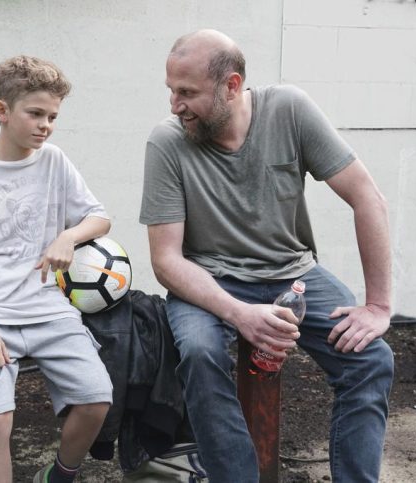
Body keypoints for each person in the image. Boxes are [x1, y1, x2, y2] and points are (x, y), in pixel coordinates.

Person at [140, 30, 394, 483]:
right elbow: (167, 261)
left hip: (292, 275)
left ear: (232, 86)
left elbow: (367, 197)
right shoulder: (167, 143)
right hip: (206, 281)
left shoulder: (289, 110)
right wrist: (240, 314)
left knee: (371, 360)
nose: (175, 105)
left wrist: (378, 305)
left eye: (187, 93)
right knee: (200, 354)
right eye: (171, 91)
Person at [0, 55, 113, 483]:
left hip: (45, 306)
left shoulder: (54, 161)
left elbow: (98, 218)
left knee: (96, 400)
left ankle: (59, 475)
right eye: (35, 114)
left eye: (52, 116)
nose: (45, 125)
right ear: (2, 111)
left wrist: (68, 237)